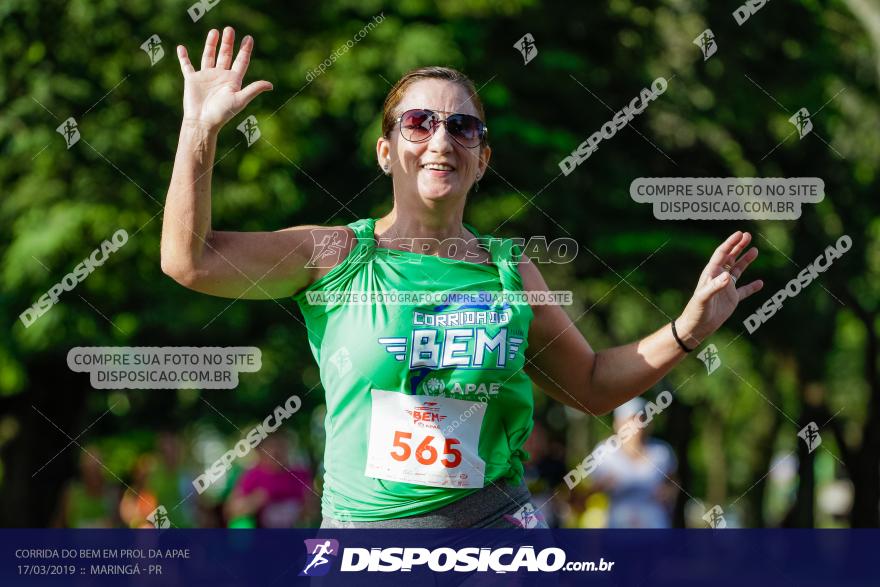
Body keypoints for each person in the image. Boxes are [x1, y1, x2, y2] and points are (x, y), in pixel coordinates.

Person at [161, 27, 763, 528]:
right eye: (419, 123)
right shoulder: (336, 253)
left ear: (482, 158)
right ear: (385, 150)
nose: (441, 139)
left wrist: (687, 329)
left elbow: (592, 384)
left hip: (494, 536)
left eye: (463, 127)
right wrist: (199, 133)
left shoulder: (509, 269)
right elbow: (191, 260)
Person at [588, 398, 678, 528]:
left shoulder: (661, 452)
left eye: (641, 420)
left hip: (655, 527)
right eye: (629, 421)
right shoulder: (604, 452)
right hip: (618, 528)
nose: (636, 427)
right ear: (617, 424)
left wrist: (667, 494)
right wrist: (602, 485)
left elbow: (673, 483)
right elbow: (586, 494)